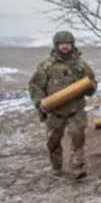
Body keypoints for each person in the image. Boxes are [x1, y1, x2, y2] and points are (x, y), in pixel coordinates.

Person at [28, 30, 96, 179]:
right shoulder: (47, 66)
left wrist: (90, 87)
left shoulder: (80, 64)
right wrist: (39, 102)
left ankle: (77, 167)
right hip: (55, 111)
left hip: (75, 109)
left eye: (68, 43)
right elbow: (35, 86)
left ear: (72, 45)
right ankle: (56, 166)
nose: (65, 46)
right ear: (56, 45)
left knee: (78, 137)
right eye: (62, 44)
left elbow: (92, 81)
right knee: (53, 141)